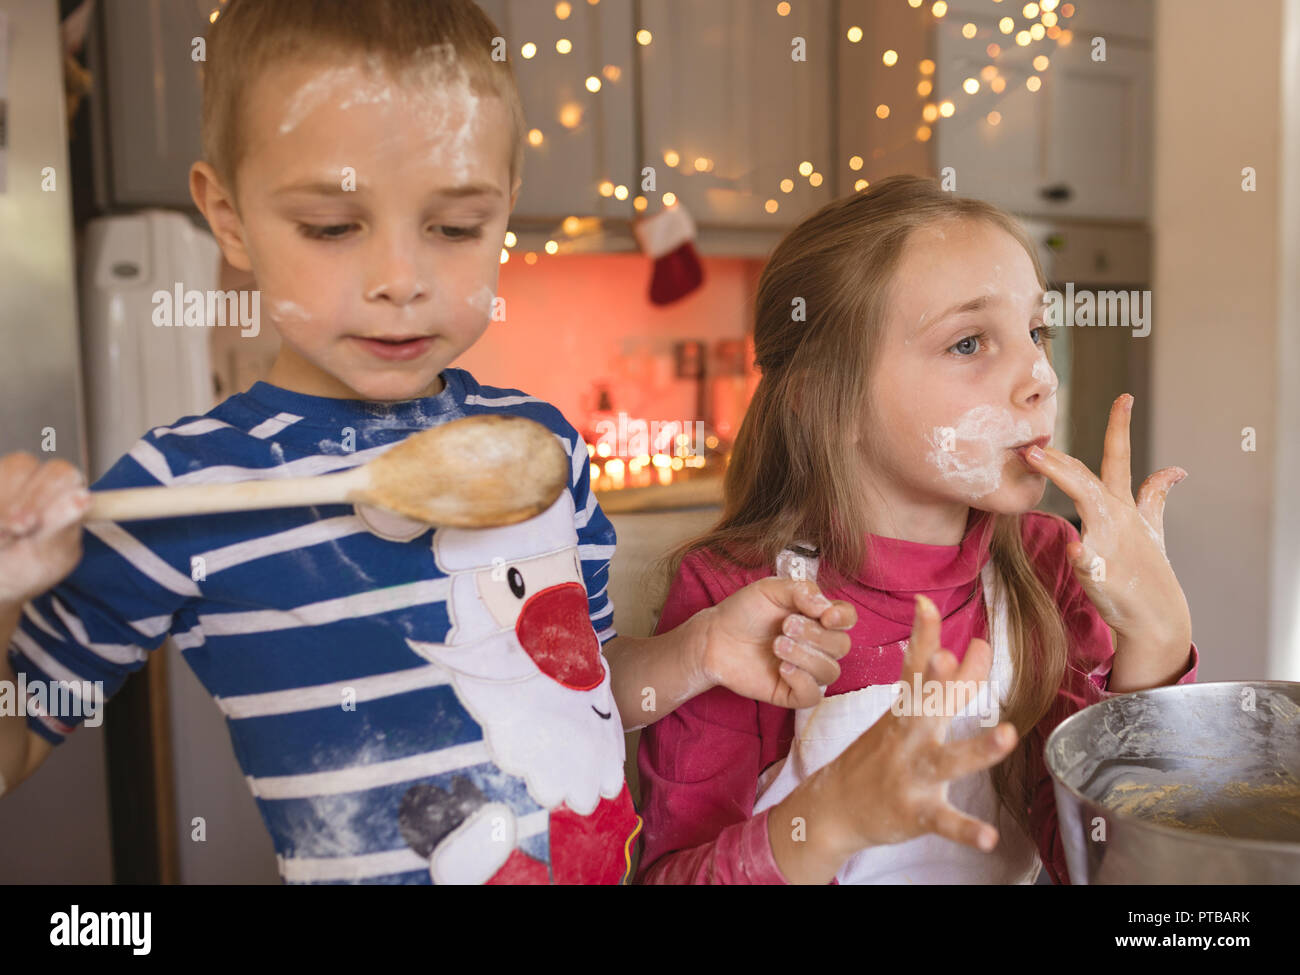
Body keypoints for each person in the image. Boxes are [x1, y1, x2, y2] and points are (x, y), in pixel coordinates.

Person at [0, 0, 856, 885]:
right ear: (228, 216)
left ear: (506, 211)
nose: (400, 281)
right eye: (332, 227)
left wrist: (702, 651)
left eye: (453, 227)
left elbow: (583, 689)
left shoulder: (539, 448)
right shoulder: (187, 490)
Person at [636, 174, 1198, 884]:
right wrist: (829, 817)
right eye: (969, 342)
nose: (1039, 375)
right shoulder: (734, 596)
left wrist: (1156, 647)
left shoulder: (1049, 565)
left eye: (1035, 331)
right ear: (825, 400)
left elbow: (1114, 872)